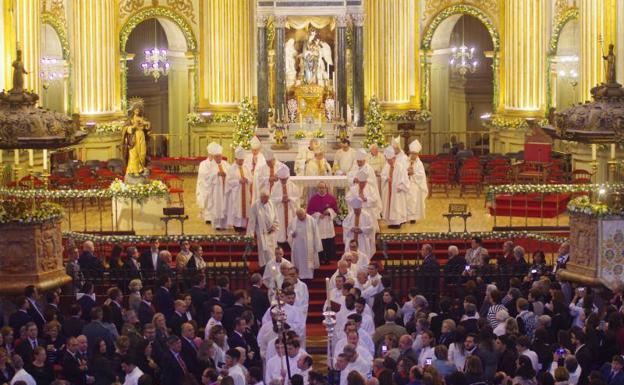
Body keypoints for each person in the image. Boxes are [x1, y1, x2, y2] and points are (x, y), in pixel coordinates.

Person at [307, 181, 338, 264]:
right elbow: (309, 211)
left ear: (326, 188)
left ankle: (328, 259)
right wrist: (317, 215)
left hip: (328, 223)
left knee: (328, 241)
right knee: (319, 241)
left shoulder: (331, 198)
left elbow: (335, 210)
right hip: (318, 223)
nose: (321, 189)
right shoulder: (313, 199)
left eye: (323, 188)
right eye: (320, 188)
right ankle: (320, 259)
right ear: (318, 189)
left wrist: (329, 212)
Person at [270, 165, 300, 248]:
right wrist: (281, 199)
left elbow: (297, 199)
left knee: (290, 225)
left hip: (290, 210)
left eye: (285, 179)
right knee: (280, 227)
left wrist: (289, 199)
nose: (283, 181)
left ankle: (290, 241)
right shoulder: (275, 187)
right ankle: (281, 243)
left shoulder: (293, 186)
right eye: (282, 180)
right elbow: (271, 200)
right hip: (280, 211)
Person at [247, 190, 279, 267]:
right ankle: (266, 268)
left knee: (272, 251)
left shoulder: (271, 203)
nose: (267, 200)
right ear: (261, 197)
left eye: (268, 198)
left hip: (272, 232)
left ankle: (272, 267)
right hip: (262, 232)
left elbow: (276, 217)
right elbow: (252, 221)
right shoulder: (255, 205)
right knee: (266, 252)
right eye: (265, 198)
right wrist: (250, 235)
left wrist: (274, 226)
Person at [288, 208, 323, 279]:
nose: (300, 217)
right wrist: (292, 234)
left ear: (305, 213)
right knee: (298, 261)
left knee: (308, 261)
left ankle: (309, 275)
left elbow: (316, 233)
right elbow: (289, 230)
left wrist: (316, 245)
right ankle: (298, 275)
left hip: (308, 246)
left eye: (301, 215)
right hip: (297, 246)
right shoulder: (294, 220)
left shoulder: (311, 220)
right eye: (299, 216)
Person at [203, 143, 230, 230]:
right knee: (217, 206)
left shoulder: (226, 164)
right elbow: (207, 177)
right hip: (216, 190)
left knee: (225, 206)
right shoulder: (210, 165)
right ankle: (217, 224)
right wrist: (217, 174)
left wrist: (227, 174)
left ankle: (224, 224)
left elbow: (231, 173)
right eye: (217, 156)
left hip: (225, 189)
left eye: (220, 156)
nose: (219, 158)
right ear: (214, 157)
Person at [381, 146, 409, 229]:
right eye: (387, 160)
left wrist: (401, 186)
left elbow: (405, 179)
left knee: (397, 205)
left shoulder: (400, 167)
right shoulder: (387, 166)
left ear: (394, 158)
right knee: (389, 205)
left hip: (397, 191)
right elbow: (383, 175)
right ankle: (390, 222)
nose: (389, 162)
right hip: (388, 189)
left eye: (390, 160)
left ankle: (397, 222)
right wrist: (386, 178)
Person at [122, 100, 151, 177]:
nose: (137, 111)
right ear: (133, 110)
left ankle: (141, 168)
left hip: (141, 136)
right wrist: (134, 126)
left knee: (142, 153)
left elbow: (147, 129)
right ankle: (134, 170)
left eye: (138, 109)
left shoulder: (143, 118)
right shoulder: (130, 119)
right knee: (134, 155)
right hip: (134, 137)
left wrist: (148, 126)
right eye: (136, 109)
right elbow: (125, 129)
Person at [226, 147, 252, 231]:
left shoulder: (246, 167)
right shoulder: (231, 168)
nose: (241, 162)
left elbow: (251, 178)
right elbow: (229, 181)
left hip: (245, 192)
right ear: (235, 159)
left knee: (245, 208)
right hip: (236, 192)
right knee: (237, 208)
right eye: (240, 160)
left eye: (242, 160)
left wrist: (247, 179)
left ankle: (244, 225)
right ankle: (237, 225)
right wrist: (238, 181)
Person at [342, 197, 375, 262]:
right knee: (350, 257)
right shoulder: (350, 215)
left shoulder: (366, 215)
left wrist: (362, 230)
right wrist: (351, 228)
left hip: (362, 239)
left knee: (363, 257)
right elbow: (344, 225)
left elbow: (371, 227)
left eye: (358, 210)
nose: (356, 211)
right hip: (352, 238)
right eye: (355, 210)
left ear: (361, 208)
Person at [406, 139, 428, 223]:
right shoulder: (405, 161)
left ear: (417, 154)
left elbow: (421, 175)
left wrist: (413, 173)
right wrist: (406, 172)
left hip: (415, 184)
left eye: (415, 154)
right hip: (406, 184)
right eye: (412, 153)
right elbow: (401, 171)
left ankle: (412, 217)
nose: (413, 155)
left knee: (413, 200)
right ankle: (405, 217)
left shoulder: (419, 163)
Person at [196, 142, 218, 224]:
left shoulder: (217, 163)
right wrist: (211, 176)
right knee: (207, 201)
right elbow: (202, 175)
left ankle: (214, 216)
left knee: (215, 201)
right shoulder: (203, 164)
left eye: (213, 155)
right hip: (206, 186)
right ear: (208, 154)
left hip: (215, 185)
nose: (212, 156)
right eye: (211, 155)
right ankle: (207, 217)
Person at [244, 136, 267, 203]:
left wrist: (255, 173)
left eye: (255, 150)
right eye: (253, 150)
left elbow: (263, 170)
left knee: (256, 197)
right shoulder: (248, 157)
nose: (254, 152)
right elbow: (245, 167)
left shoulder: (262, 158)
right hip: (249, 179)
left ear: (259, 149)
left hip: (257, 181)